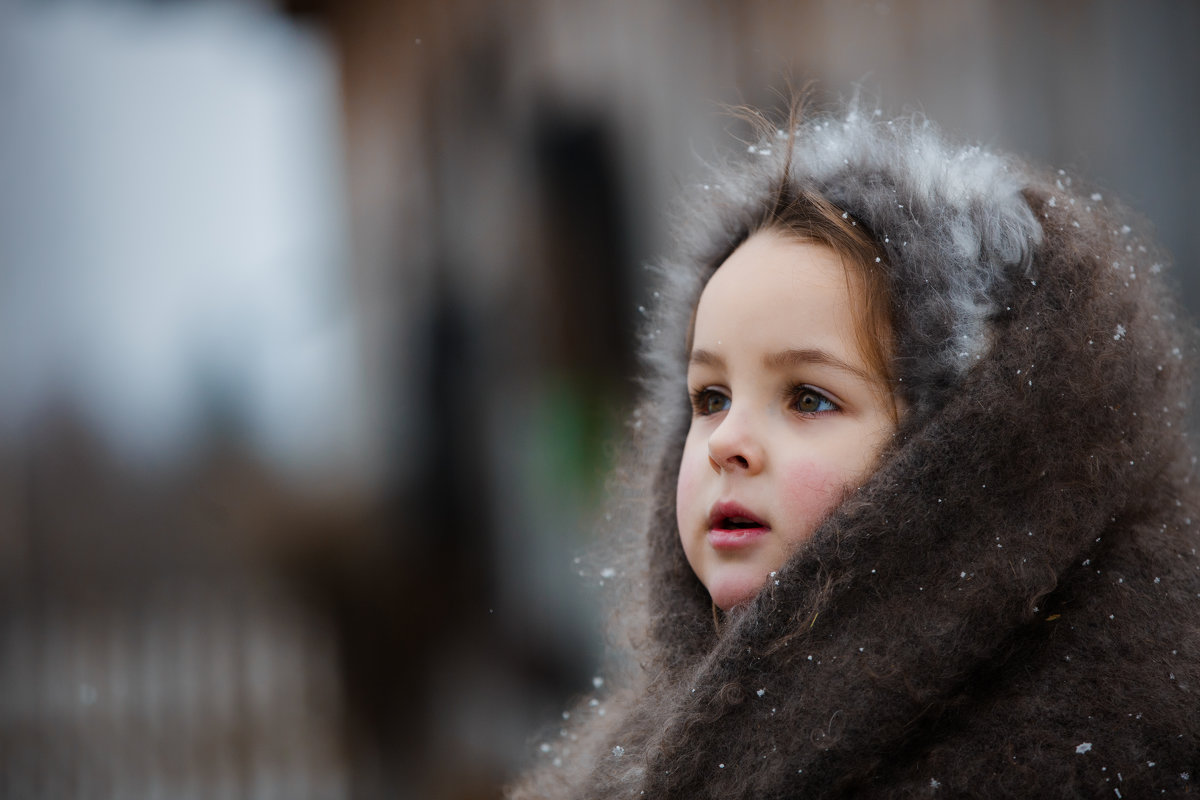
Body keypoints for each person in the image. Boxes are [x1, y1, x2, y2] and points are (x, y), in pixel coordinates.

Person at [508, 101, 1200, 798]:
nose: (728, 444)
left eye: (808, 398)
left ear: (966, 456)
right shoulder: (633, 755)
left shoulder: (1092, 749)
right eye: (710, 397)